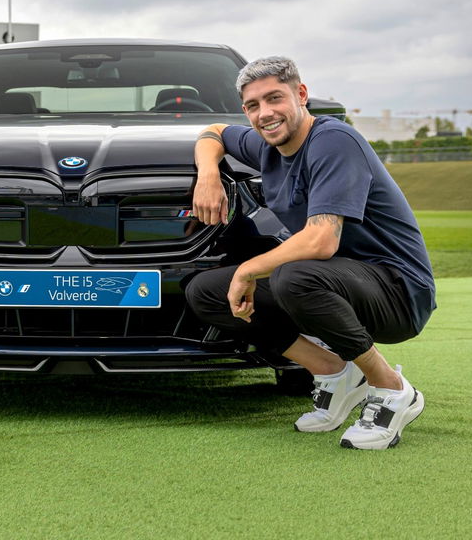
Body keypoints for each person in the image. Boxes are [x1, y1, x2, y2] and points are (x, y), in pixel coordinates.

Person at [185, 56, 434, 450]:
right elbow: (213, 131)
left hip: (397, 291)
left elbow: (322, 241)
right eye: (253, 105)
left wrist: (248, 270)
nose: (265, 113)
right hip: (338, 282)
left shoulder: (334, 140)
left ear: (301, 95)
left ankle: (392, 388)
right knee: (206, 292)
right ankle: (336, 374)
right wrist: (209, 175)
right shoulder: (265, 145)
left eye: (275, 99)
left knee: (292, 275)